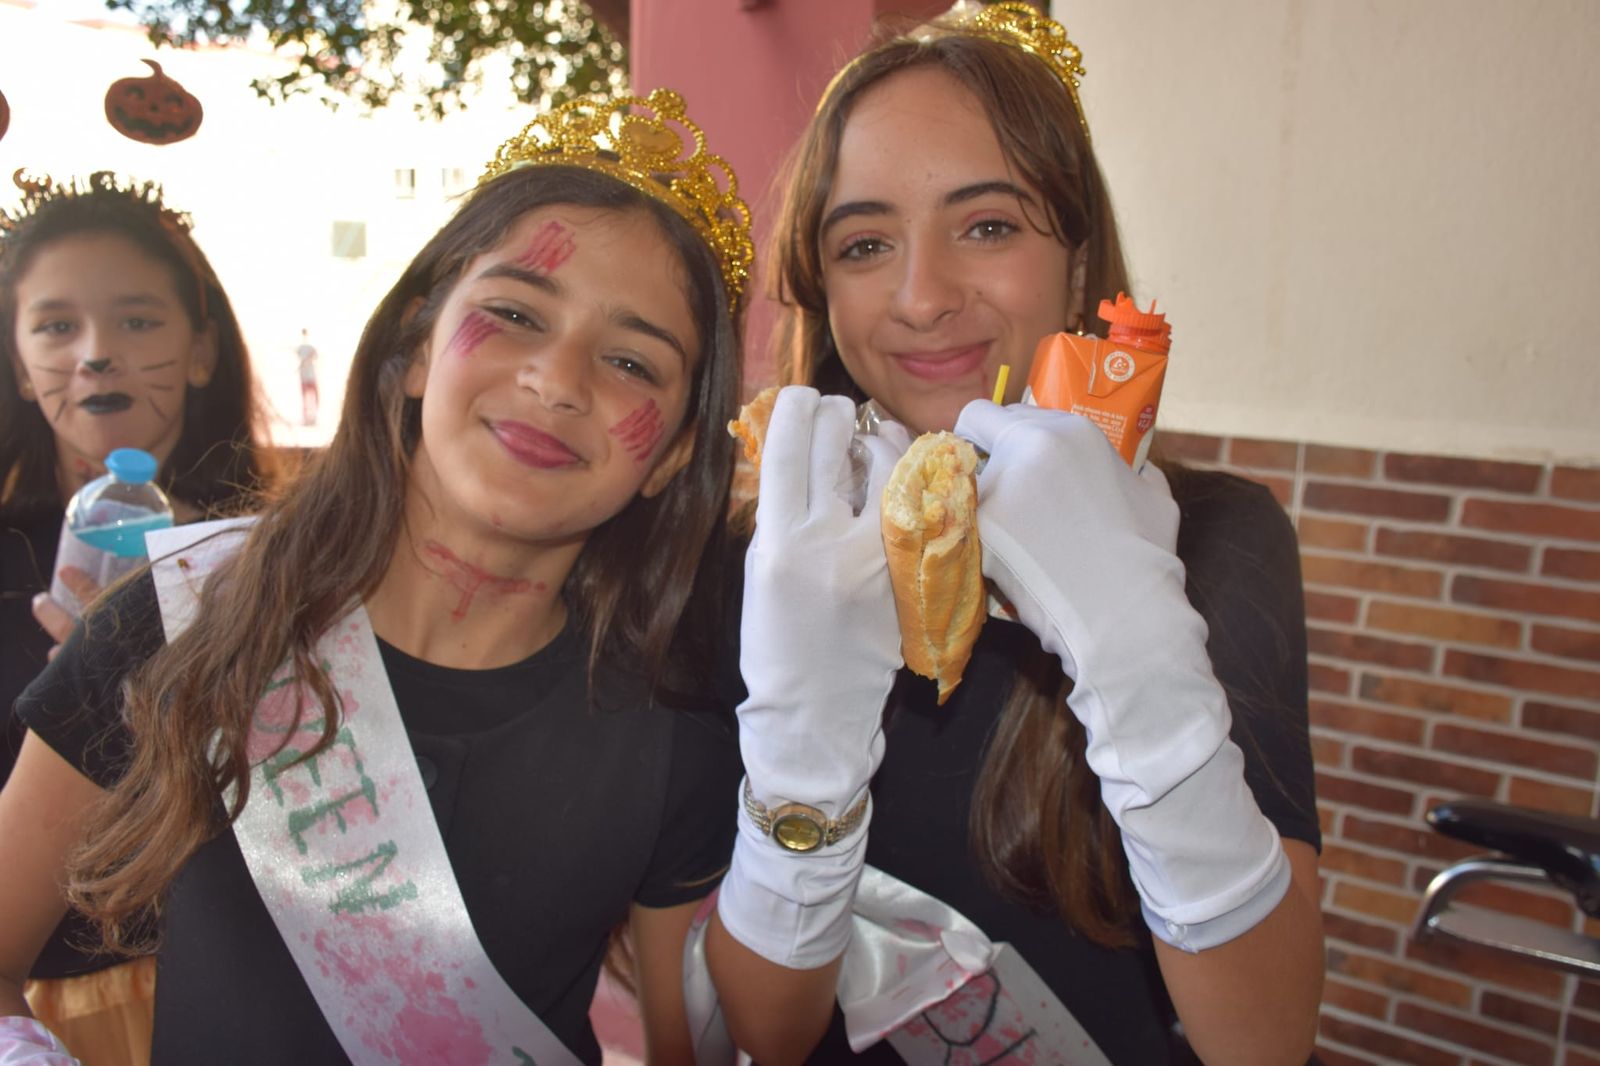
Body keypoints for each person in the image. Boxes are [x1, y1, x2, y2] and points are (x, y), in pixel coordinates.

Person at [0, 87, 757, 1064]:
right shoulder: (185, 618)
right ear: (412, 350)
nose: (558, 379)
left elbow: (687, 1047)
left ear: (670, 454)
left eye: (630, 361)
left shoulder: (675, 724)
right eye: (515, 313)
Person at [704, 5, 1324, 1065]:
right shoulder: (763, 565)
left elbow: (1262, 1042)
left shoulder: (1214, 538)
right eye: (864, 244)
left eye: (986, 225)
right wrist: (801, 766)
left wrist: (1134, 651)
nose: (922, 297)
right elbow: (766, 1031)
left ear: (1077, 267)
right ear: (821, 287)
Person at [0, 169, 276, 1063]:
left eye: (137, 320)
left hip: (217, 1000)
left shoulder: (275, 559)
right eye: (55, 325)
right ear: (15, 357)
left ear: (202, 349)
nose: (95, 353)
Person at [295, 327, 319, 426]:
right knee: (307, 398)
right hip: (306, 376)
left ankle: (311, 418)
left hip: (309, 375)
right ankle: (308, 418)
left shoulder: (307, 347)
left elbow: (315, 356)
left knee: (311, 397)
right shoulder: (301, 347)